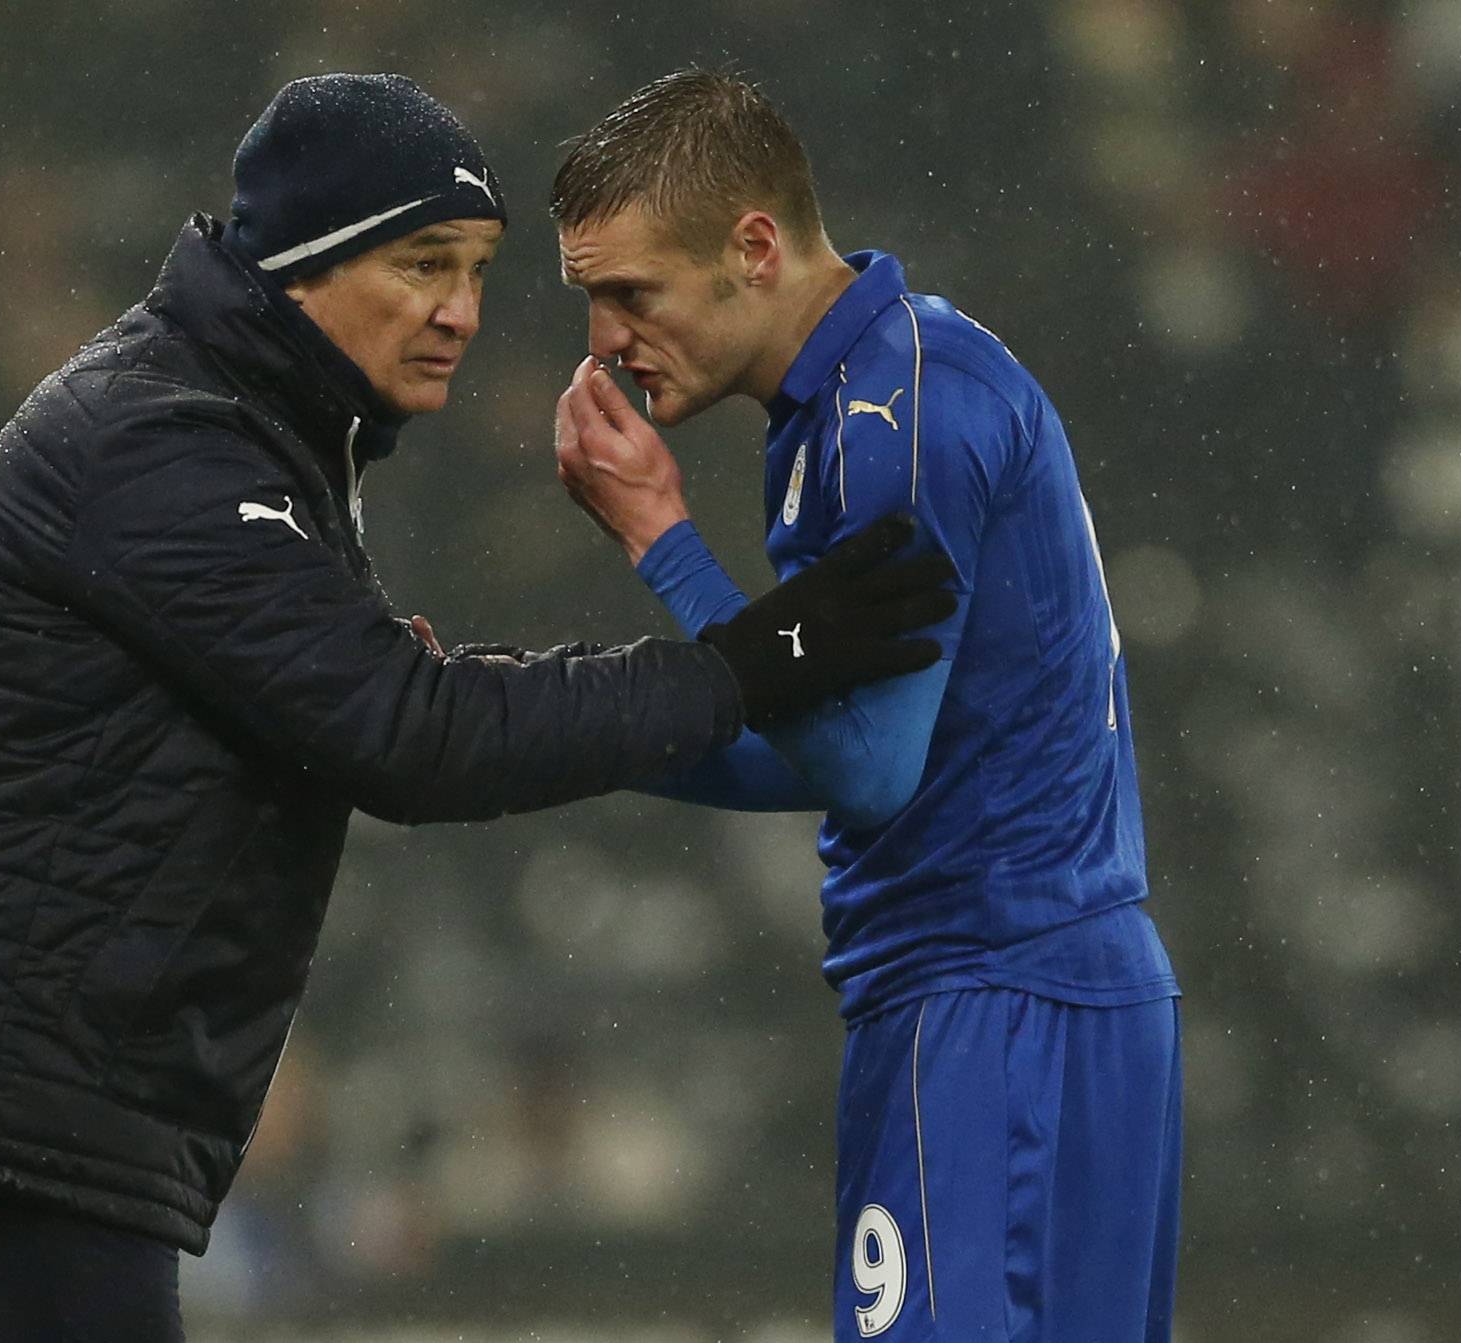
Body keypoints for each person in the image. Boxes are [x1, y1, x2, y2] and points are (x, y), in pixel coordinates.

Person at [0, 73, 955, 1339]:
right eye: (424, 264)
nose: (462, 312)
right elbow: (411, 737)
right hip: (22, 1081)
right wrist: (751, 658)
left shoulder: (229, 422)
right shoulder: (172, 441)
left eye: (480, 270)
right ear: (302, 260)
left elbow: (394, 703)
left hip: (17, 1072)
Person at [549, 70, 1182, 1342]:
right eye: (590, 300)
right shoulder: (888, 381)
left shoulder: (898, 416)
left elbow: (862, 767)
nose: (605, 339)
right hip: (1048, 993)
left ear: (756, 247)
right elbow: (850, 745)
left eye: (633, 293)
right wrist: (577, 730)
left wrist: (663, 539)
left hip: (989, 998)